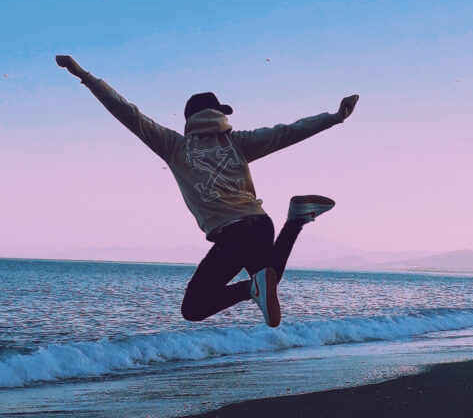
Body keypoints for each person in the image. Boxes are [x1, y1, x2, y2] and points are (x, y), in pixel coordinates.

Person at [56, 55, 359, 328]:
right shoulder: (237, 142)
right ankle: (293, 222)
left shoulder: (174, 146)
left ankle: (285, 236)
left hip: (232, 234)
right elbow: (287, 132)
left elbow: (129, 114)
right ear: (216, 114)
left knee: (194, 307)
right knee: (269, 279)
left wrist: (83, 75)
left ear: (190, 121)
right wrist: (335, 117)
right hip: (259, 224)